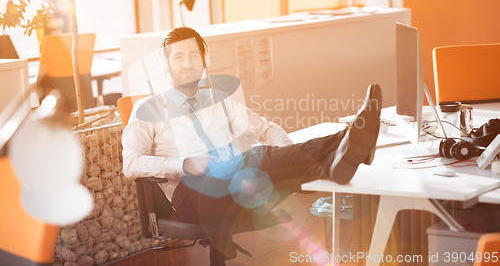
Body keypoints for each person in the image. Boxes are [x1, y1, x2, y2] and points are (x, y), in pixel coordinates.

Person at [122, 27, 382, 257]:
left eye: (193, 55)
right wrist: (185, 164)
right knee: (255, 158)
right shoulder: (148, 109)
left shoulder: (218, 100)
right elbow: (131, 163)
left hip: (233, 187)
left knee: (272, 166)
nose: (187, 63)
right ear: (165, 64)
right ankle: (344, 144)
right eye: (178, 57)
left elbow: (267, 128)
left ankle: (339, 157)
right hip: (192, 198)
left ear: (204, 61)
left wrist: (287, 152)